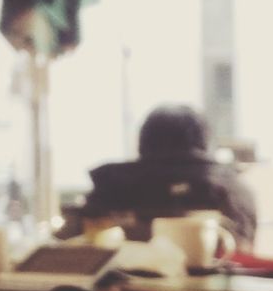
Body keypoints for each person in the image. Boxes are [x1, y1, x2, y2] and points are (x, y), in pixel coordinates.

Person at [81, 103, 257, 246]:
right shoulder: (234, 189)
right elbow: (244, 246)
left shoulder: (112, 184)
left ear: (143, 141)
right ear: (207, 142)